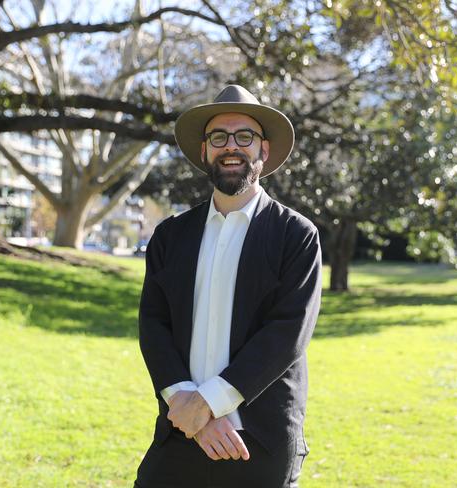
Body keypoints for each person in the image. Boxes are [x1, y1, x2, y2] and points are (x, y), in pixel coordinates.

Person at [135, 85, 322, 487]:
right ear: (205, 151)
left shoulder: (296, 235)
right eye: (219, 137)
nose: (231, 147)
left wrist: (207, 404)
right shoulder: (170, 236)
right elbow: (154, 327)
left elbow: (286, 334)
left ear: (264, 150)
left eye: (244, 137)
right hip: (180, 432)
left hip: (257, 442)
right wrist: (190, 412)